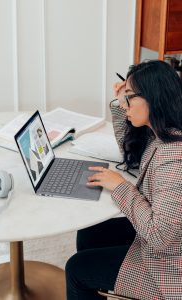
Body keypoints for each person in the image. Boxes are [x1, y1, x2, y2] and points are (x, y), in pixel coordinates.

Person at [65, 60, 182, 300]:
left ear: (153, 97)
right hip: (165, 240)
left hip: (170, 265)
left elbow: (159, 237)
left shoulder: (174, 158)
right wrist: (121, 105)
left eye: (129, 97)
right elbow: (130, 152)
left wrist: (120, 186)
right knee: (90, 232)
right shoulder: (164, 131)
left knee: (77, 269)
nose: (124, 103)